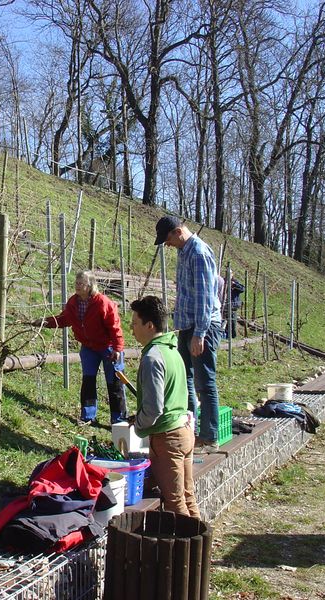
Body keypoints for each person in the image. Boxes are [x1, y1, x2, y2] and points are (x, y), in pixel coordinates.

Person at [154, 215, 223, 453]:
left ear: (177, 232)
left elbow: (205, 298)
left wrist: (199, 334)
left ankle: (209, 436)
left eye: (167, 240)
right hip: (186, 326)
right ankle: (190, 431)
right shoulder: (184, 252)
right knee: (186, 381)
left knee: (205, 383)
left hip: (201, 327)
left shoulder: (199, 253)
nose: (167, 245)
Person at [130, 295, 199, 518]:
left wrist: (137, 424)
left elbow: (154, 409)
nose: (131, 329)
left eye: (134, 324)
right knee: (187, 497)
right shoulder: (172, 350)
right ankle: (199, 548)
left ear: (149, 326)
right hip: (184, 431)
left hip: (168, 437)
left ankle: (186, 550)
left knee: (175, 503)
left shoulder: (152, 357)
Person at [32, 270, 126, 426]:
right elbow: (65, 319)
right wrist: (45, 322)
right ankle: (88, 416)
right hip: (88, 348)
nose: (77, 286)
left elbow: (114, 326)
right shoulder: (74, 302)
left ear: (90, 285)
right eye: (76, 283)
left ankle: (119, 419)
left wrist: (117, 348)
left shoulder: (103, 303)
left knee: (115, 382)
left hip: (108, 347)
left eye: (81, 283)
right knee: (88, 380)